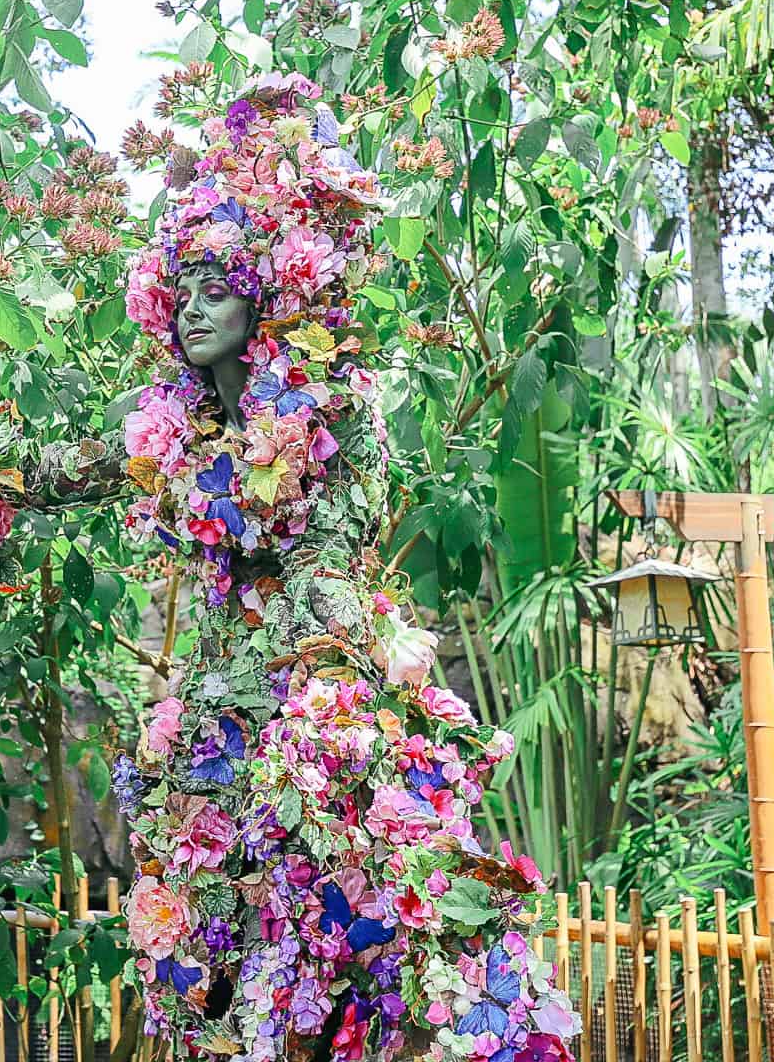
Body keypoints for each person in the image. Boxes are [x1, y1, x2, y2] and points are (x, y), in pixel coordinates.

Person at [106, 74, 580, 1062]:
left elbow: (326, 563)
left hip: (314, 704)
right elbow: (79, 472)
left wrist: (327, 695)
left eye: (221, 282)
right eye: (183, 284)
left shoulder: (335, 408)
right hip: (210, 731)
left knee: (362, 943)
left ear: (272, 283)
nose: (197, 306)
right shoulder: (181, 433)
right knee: (210, 987)